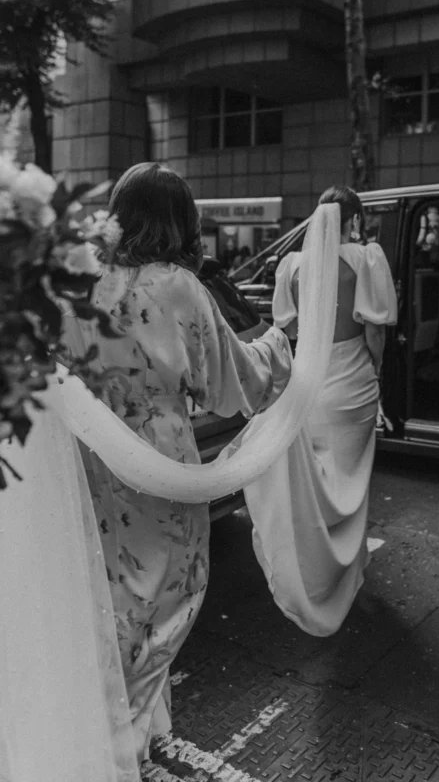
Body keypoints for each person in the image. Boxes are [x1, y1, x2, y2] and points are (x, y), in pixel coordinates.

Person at [61, 163, 292, 761]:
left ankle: (109, 730)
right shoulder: (176, 286)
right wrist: (282, 344)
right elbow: (231, 384)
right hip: (157, 460)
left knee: (108, 593)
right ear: (180, 220)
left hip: (89, 458)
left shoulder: (82, 281)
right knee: (169, 595)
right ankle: (120, 743)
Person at [244, 185, 398, 636]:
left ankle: (317, 571)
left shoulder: (293, 266)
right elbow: (375, 332)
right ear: (353, 219)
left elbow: (286, 328)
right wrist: (379, 373)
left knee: (319, 485)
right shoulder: (367, 258)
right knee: (353, 484)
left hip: (309, 388)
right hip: (352, 387)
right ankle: (349, 571)